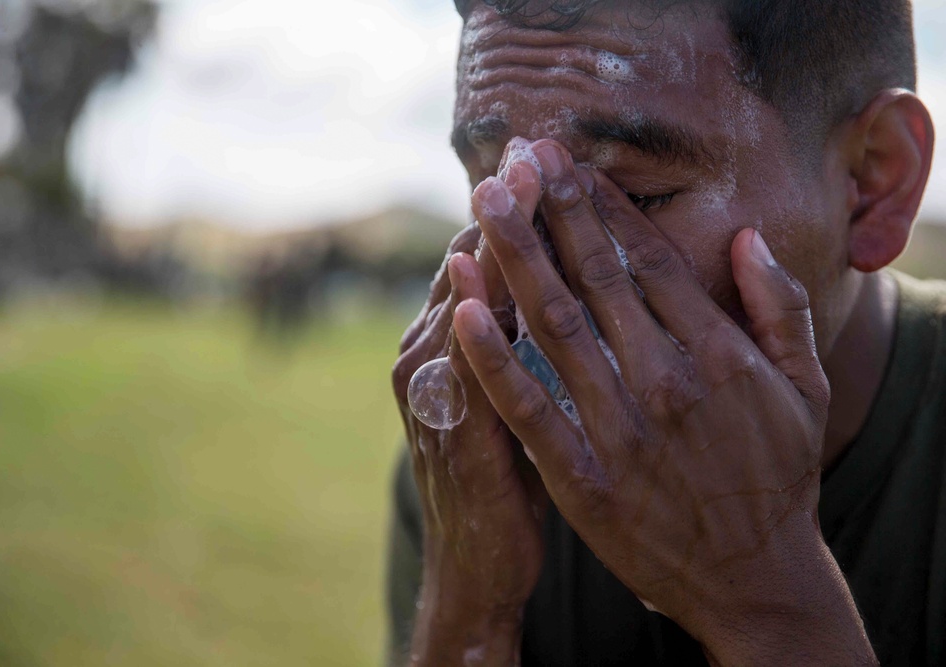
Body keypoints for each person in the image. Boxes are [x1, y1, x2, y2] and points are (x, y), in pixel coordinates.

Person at [387, 0, 945, 664]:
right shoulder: (480, 460)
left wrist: (769, 602)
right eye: (491, 188)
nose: (526, 282)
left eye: (634, 195)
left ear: (874, 179)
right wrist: (470, 604)